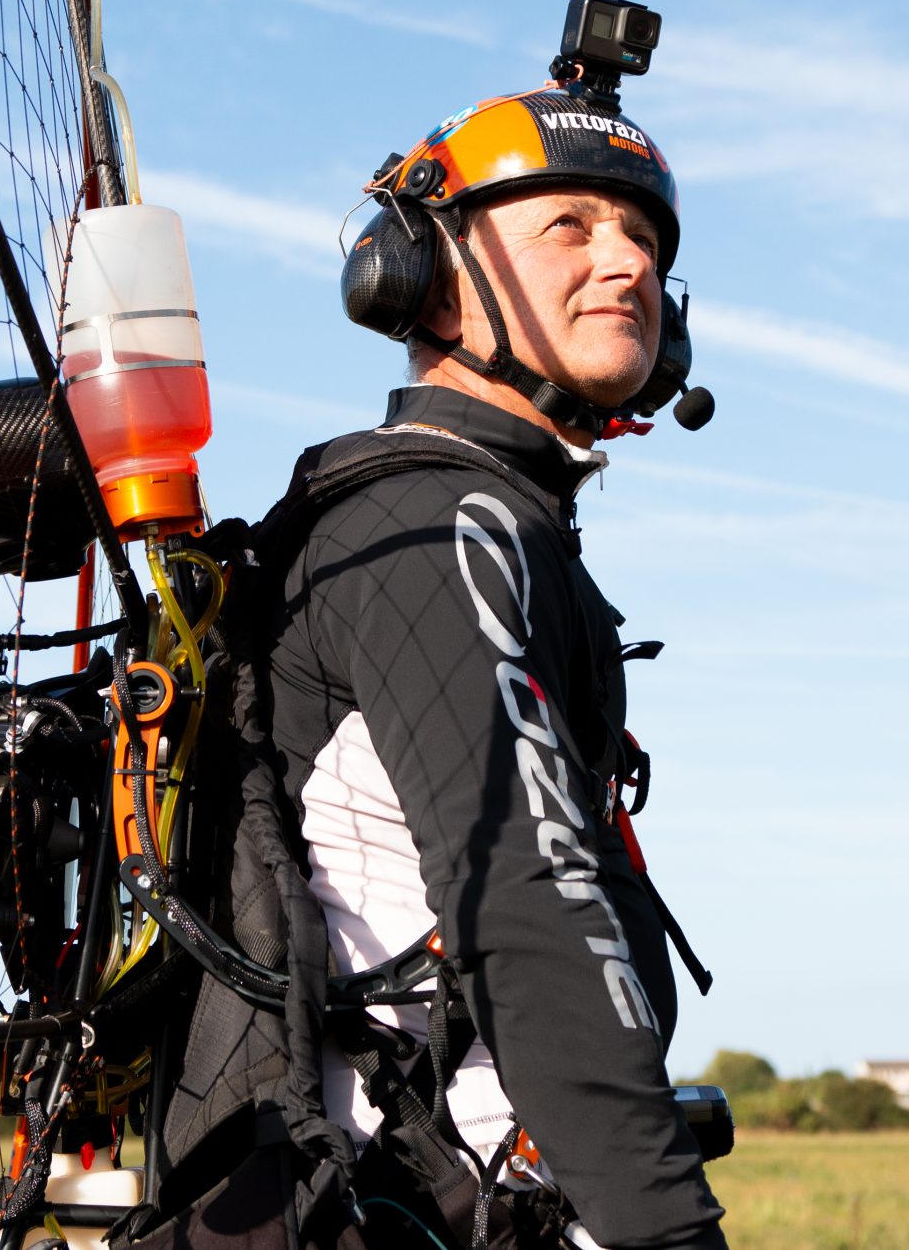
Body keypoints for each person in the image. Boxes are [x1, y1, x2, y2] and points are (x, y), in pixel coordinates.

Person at [248, 81, 726, 1250]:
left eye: (643, 237)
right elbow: (529, 901)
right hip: (413, 1203)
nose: (627, 263)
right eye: (568, 226)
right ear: (422, 276)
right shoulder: (435, 527)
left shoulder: (488, 519)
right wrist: (665, 1230)